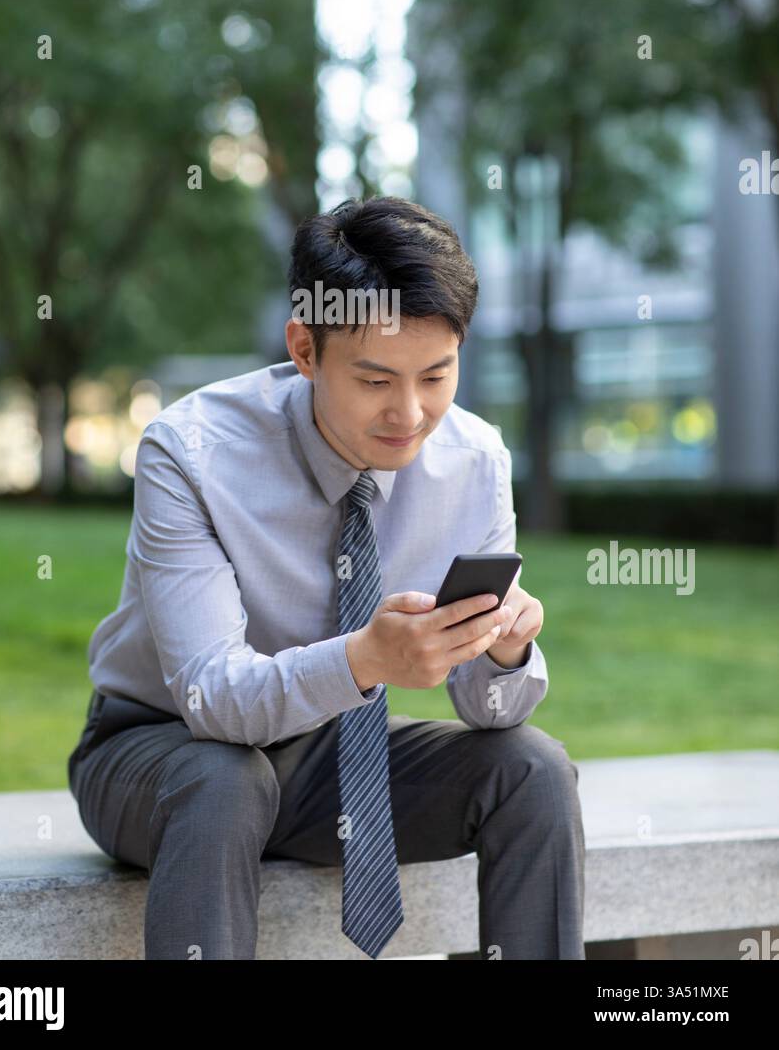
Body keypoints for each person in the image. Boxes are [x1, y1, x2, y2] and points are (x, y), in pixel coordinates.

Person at [67, 194, 586, 960]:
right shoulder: (190, 452)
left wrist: (504, 654)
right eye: (375, 381)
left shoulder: (475, 462)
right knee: (224, 779)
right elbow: (211, 697)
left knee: (534, 771)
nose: (409, 414)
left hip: (331, 758)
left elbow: (489, 708)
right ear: (304, 349)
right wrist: (367, 660)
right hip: (156, 754)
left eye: (436, 376)